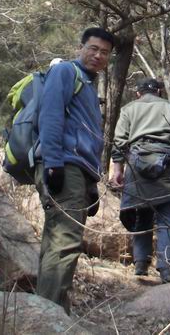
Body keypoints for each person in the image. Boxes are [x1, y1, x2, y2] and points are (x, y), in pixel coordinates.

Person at [35, 26, 115, 313]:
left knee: (56, 242)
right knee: (65, 243)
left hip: (77, 170)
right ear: (81, 47)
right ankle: (47, 319)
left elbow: (88, 140)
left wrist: (92, 184)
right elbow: (51, 115)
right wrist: (54, 165)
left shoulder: (89, 86)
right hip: (63, 165)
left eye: (104, 52)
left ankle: (53, 312)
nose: (97, 55)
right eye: (93, 48)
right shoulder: (66, 72)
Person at [110, 77, 170, 283]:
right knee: (167, 217)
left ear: (138, 93)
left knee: (143, 213)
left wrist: (117, 170)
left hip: (137, 164)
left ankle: (140, 265)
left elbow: (120, 141)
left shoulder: (129, 109)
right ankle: (167, 271)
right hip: (168, 165)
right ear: (158, 92)